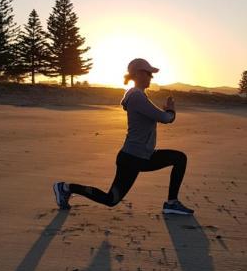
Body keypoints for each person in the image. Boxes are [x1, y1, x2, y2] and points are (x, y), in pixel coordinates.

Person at [53, 57, 194, 215]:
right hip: (132, 158)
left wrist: (166, 112)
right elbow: (165, 118)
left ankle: (172, 203)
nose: (151, 77)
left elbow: (158, 116)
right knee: (110, 199)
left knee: (179, 158)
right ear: (139, 74)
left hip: (143, 156)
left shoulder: (137, 95)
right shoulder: (136, 96)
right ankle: (66, 187)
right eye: (149, 73)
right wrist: (171, 110)